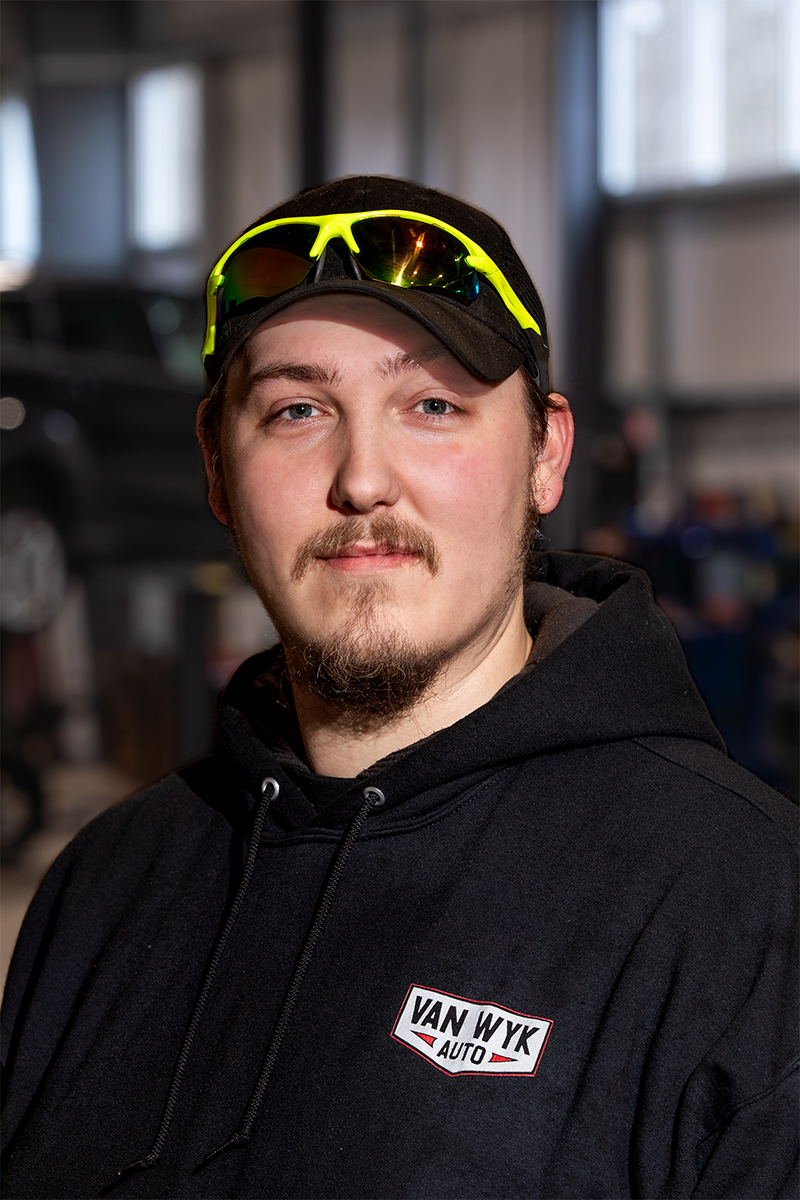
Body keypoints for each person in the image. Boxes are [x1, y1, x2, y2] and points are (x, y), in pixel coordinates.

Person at [0, 175, 799, 1200]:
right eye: (297, 410)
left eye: (431, 406)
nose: (363, 479)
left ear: (545, 453)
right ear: (215, 465)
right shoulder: (106, 885)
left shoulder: (743, 911)